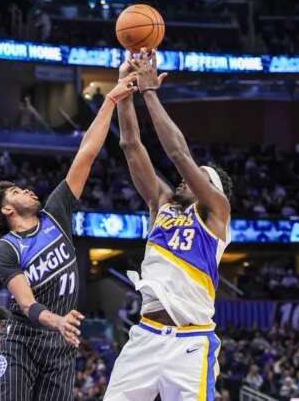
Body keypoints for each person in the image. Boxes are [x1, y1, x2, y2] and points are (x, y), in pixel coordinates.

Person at [0, 74, 138, 401]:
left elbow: (87, 153)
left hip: (60, 345)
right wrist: (58, 321)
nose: (26, 189)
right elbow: (26, 303)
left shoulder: (55, 212)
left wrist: (110, 100)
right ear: (7, 210)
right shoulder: (6, 249)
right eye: (16, 191)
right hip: (22, 340)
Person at [104, 50, 232, 400]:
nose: (184, 179)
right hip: (146, 335)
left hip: (190, 343)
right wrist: (124, 90)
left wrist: (149, 92)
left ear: (212, 188)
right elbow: (130, 145)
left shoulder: (216, 211)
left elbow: (179, 155)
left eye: (197, 177)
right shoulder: (162, 203)